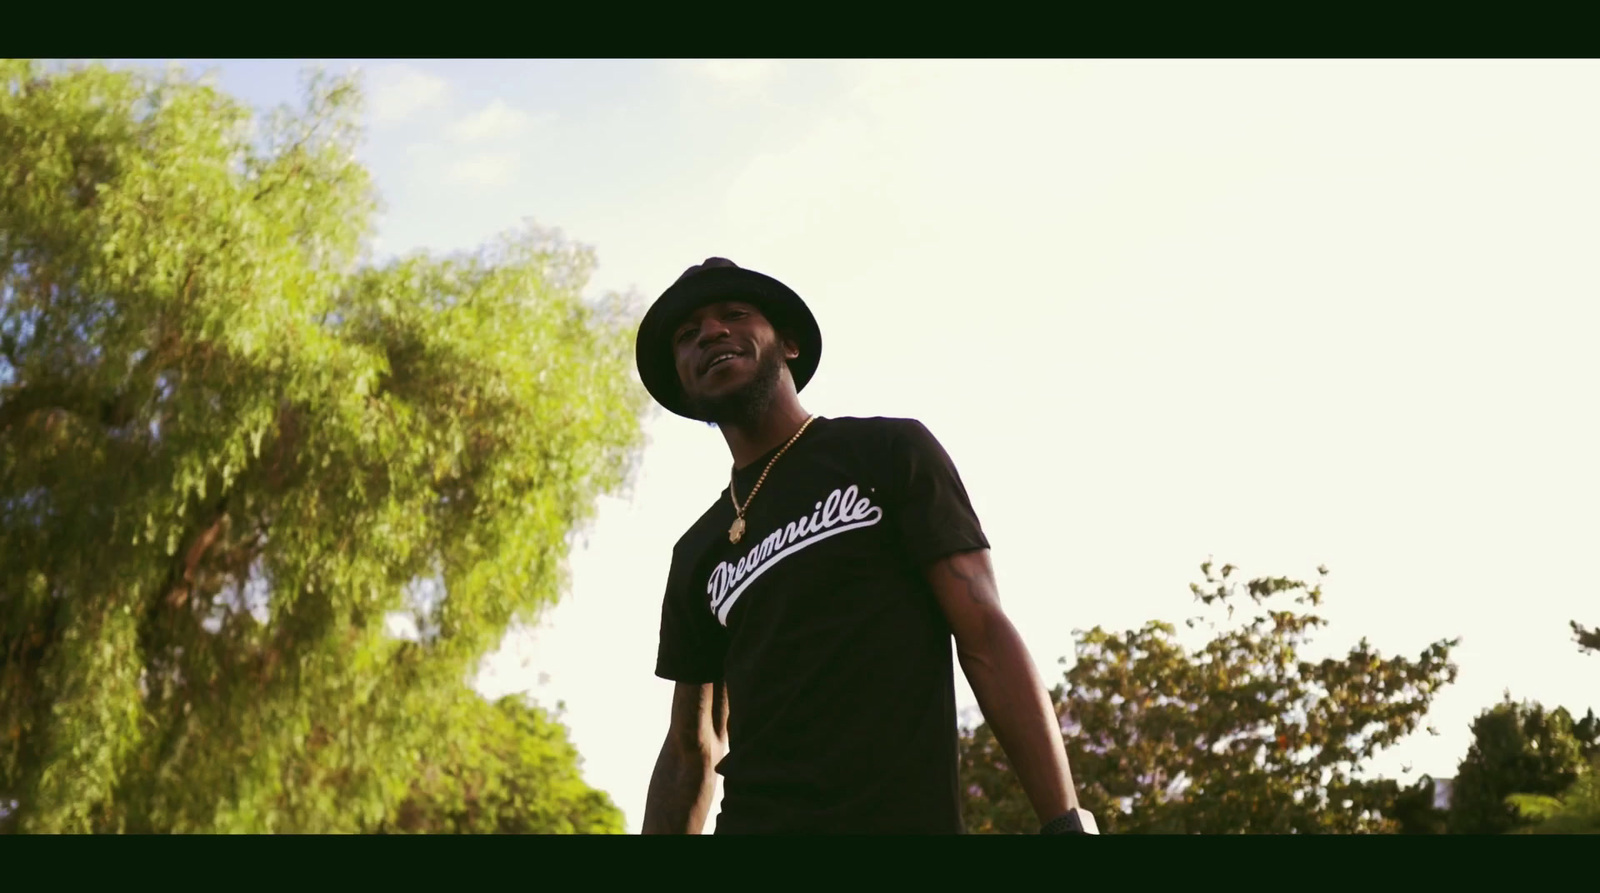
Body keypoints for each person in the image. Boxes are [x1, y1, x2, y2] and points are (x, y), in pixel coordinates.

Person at [637, 258, 1096, 835]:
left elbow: (982, 632)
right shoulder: (697, 552)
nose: (709, 333)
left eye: (734, 314)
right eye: (687, 334)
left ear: (790, 344)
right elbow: (691, 747)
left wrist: (1065, 820)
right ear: (682, 379)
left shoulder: (885, 452)